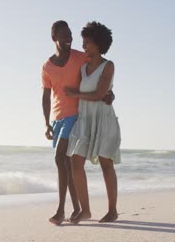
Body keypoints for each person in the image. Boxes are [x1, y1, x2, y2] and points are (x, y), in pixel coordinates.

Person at [41, 20, 114, 225]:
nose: (69, 39)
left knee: (60, 158)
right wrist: (47, 123)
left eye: (70, 35)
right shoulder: (47, 66)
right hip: (58, 117)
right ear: (54, 37)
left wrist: (109, 92)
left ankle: (61, 210)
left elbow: (98, 69)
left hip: (76, 113)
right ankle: (77, 209)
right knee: (66, 162)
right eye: (64, 36)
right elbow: (46, 97)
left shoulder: (80, 56)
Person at [64, 21, 121, 224]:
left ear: (98, 43)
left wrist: (76, 93)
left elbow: (98, 93)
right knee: (75, 162)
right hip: (84, 120)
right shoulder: (82, 69)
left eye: (87, 42)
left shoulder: (108, 65)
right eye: (84, 42)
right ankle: (85, 210)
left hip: (103, 119)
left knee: (106, 164)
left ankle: (112, 211)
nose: (84, 46)